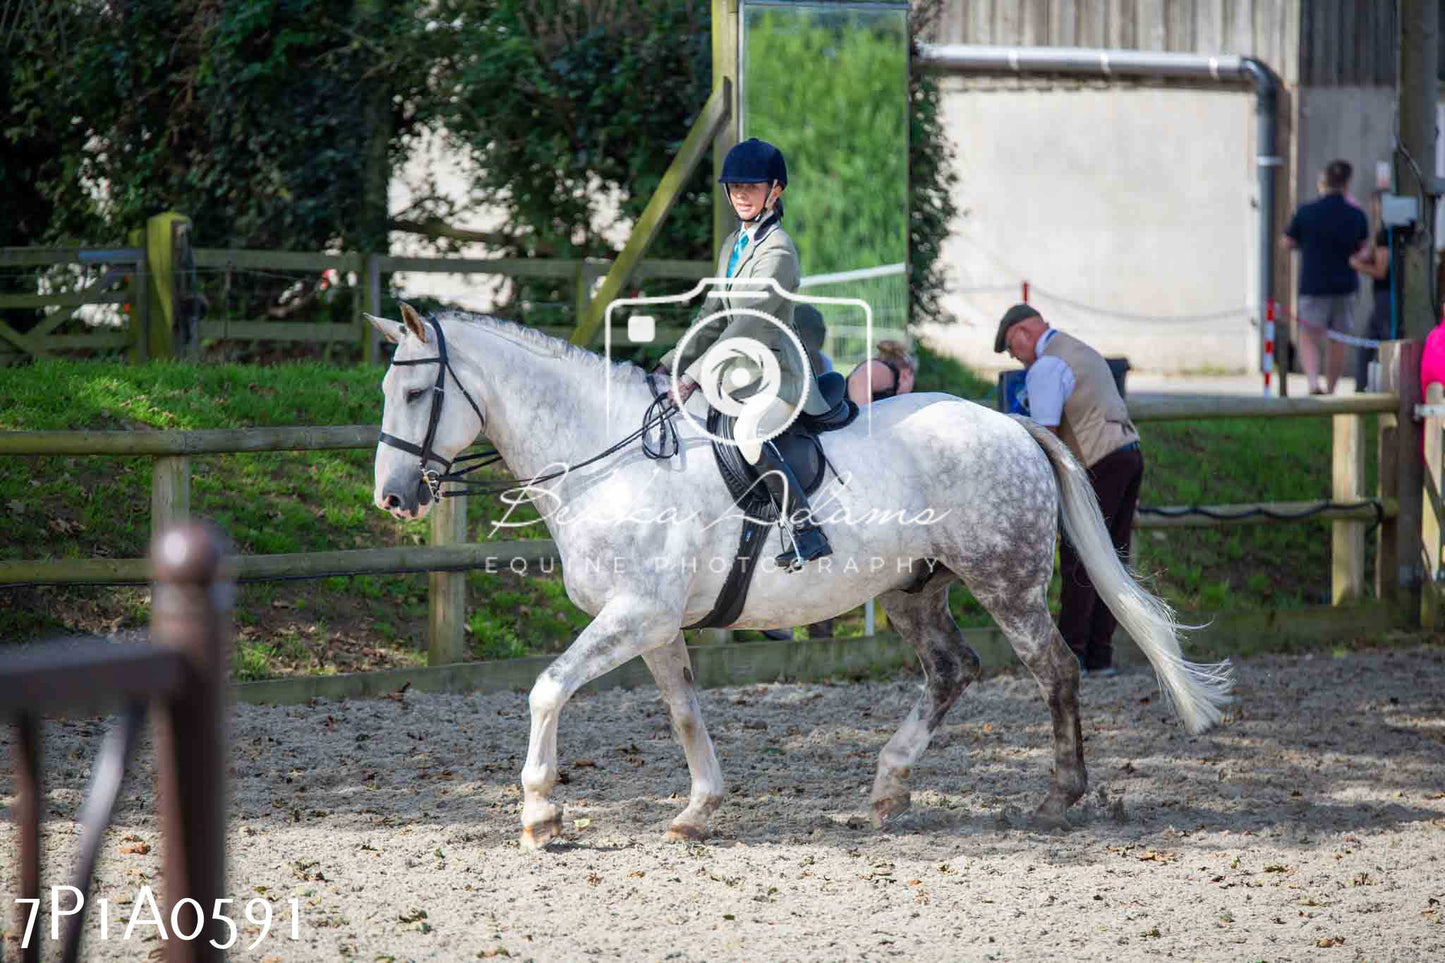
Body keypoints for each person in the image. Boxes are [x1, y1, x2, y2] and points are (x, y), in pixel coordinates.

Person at [658, 137, 833, 570]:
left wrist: (693, 376)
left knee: (746, 433)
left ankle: (806, 530)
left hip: (776, 371)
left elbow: (747, 323)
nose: (740, 194)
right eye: (734, 186)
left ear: (775, 191)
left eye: (751, 187)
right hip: (734, 367)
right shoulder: (733, 246)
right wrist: (669, 364)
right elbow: (713, 314)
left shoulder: (778, 251)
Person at [994, 303, 1143, 677]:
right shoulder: (1082, 350)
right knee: (1114, 558)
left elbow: (1045, 436)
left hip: (1096, 462)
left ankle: (1073, 654)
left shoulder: (1046, 367)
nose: (1018, 359)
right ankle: (1099, 654)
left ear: (1023, 335)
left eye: (1014, 349)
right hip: (1129, 453)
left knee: (1080, 559)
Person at [1283, 159, 1370, 395]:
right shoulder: (1356, 214)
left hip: (1313, 284)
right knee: (1338, 340)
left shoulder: (1306, 211)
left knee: (1309, 336)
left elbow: (1287, 241)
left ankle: (1313, 382)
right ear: (1346, 184)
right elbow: (1364, 249)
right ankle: (1331, 389)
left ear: (1323, 183)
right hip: (1345, 286)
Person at [1348, 191, 1398, 391]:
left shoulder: (1385, 234)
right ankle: (1364, 389)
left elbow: (1380, 270)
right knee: (1369, 345)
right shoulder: (1384, 234)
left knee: (1380, 345)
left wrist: (1355, 265)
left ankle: (1371, 389)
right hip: (1384, 298)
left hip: (1386, 298)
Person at [845, 339, 917, 406]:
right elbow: (858, 379)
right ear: (906, 374)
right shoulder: (892, 374)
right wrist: (866, 415)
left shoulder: (890, 384)